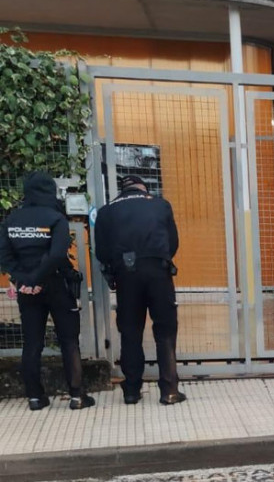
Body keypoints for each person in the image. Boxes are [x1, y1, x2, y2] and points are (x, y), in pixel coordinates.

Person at [0, 171, 94, 410]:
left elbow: (5, 256)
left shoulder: (11, 220)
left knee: (32, 342)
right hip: (55, 283)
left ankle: (35, 397)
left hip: (26, 289)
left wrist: (24, 281)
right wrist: (37, 278)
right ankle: (76, 396)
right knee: (69, 340)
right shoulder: (56, 218)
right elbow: (56, 255)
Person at [94, 175, 186, 405]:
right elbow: (172, 242)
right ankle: (170, 390)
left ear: (122, 190)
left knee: (130, 331)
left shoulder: (106, 211)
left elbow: (102, 252)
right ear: (143, 188)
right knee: (165, 330)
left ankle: (132, 391)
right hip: (158, 271)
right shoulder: (160, 204)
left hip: (126, 274)